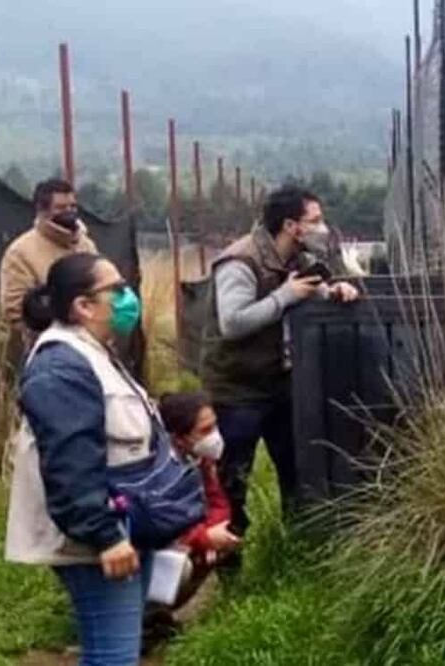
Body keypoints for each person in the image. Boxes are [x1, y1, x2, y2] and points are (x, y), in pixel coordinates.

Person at [201, 185, 359, 572]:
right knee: (233, 478)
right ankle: (227, 566)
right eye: (315, 220)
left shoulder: (298, 258)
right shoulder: (240, 261)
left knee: (296, 470)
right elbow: (233, 322)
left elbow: (309, 290)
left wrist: (332, 292)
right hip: (237, 388)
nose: (322, 227)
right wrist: (287, 296)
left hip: (280, 384)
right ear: (291, 226)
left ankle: (296, 558)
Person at [4, 252, 152, 665]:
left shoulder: (92, 352)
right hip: (93, 536)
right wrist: (104, 535)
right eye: (117, 290)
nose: (128, 298)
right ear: (83, 306)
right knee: (113, 657)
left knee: (111, 650)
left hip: (115, 523)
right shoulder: (60, 366)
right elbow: (70, 461)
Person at [141, 391, 241, 647]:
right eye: (205, 429)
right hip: (149, 547)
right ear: (179, 436)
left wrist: (215, 529)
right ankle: (144, 617)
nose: (214, 436)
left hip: (182, 536)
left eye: (215, 426)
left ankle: (159, 617)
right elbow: (161, 521)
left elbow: (218, 500)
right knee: (181, 565)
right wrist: (204, 538)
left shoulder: (200, 459)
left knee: (222, 547)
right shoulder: (158, 466)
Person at [0, 179, 98, 337]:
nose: (69, 212)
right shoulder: (20, 252)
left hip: (93, 340)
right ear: (42, 210)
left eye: (72, 206)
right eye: (61, 207)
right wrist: (55, 334)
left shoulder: (86, 245)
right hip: (52, 345)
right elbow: (15, 309)